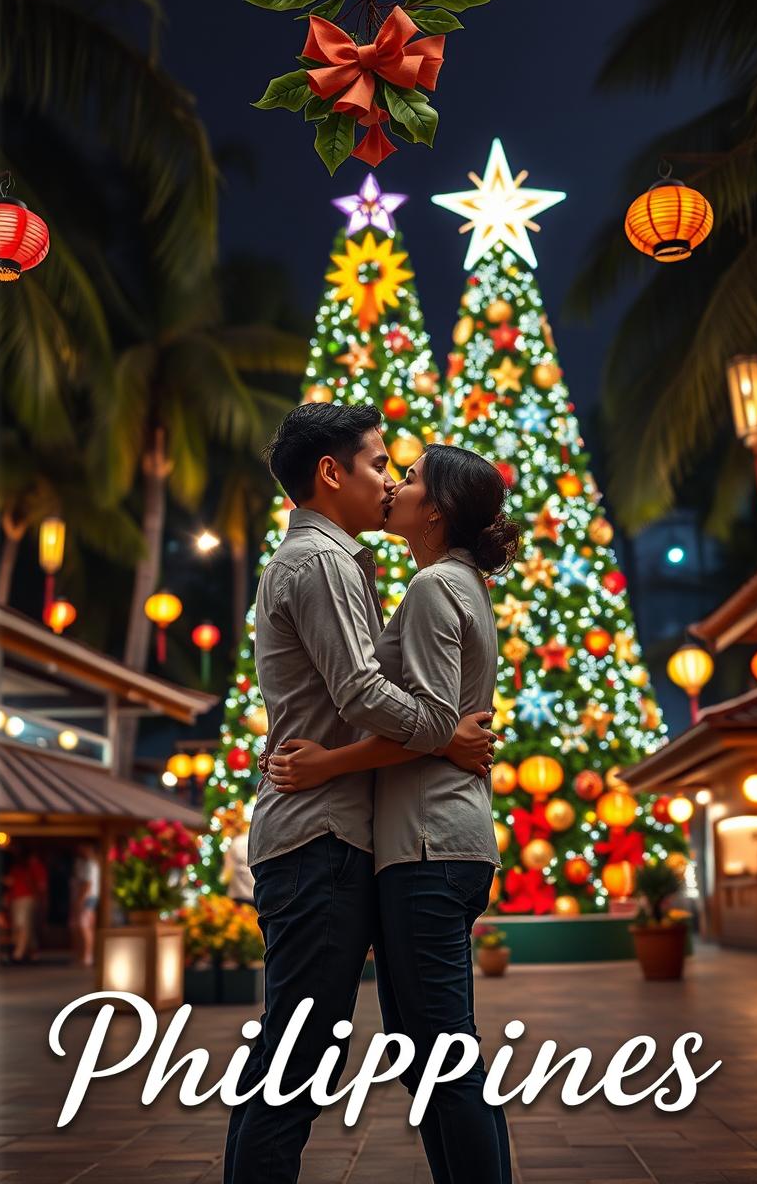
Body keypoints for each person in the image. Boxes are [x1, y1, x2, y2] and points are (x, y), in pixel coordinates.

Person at [223, 403, 495, 1184]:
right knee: (298, 1058)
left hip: (334, 835)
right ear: (330, 473)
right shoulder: (325, 563)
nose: (387, 481)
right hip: (320, 836)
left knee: (305, 1055)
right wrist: (444, 734)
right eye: (381, 465)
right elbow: (361, 692)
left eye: (399, 472)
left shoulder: (354, 567)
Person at [2, 845, 36, 963]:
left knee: (21, 926)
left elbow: (10, 881)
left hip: (22, 898)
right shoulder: (17, 867)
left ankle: (19, 952)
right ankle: (22, 951)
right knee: (20, 926)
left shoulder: (27, 867)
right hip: (18, 898)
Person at [73, 842, 100, 967]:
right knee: (87, 927)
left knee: (85, 927)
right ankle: (87, 955)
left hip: (88, 898)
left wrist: (80, 899)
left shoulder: (91, 864)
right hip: (92, 897)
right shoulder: (94, 864)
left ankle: (88, 956)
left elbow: (87, 884)